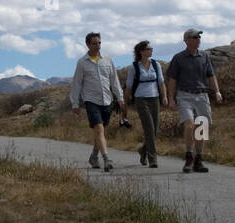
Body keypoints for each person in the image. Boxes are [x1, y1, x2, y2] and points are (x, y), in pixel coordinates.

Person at [164, 28, 223, 173]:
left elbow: (211, 76)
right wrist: (171, 98)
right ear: (187, 40)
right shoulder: (178, 58)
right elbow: (172, 79)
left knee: (202, 126)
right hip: (184, 95)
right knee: (190, 125)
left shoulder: (204, 56)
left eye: (199, 37)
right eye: (195, 37)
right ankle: (189, 156)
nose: (198, 40)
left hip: (202, 95)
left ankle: (199, 159)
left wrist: (217, 91)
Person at [69, 32, 125, 172]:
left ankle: (94, 156)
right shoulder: (82, 63)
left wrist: (120, 97)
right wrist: (75, 103)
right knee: (99, 129)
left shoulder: (107, 60)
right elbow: (77, 83)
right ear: (88, 44)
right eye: (94, 43)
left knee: (100, 132)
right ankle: (107, 159)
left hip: (107, 100)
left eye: (99, 43)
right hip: (91, 101)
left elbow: (114, 80)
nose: (97, 46)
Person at [125, 40, 168, 168]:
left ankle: (143, 150)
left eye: (151, 48)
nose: (151, 50)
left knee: (154, 130)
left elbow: (161, 82)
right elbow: (128, 86)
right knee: (149, 128)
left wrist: (164, 96)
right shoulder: (134, 67)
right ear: (142, 51)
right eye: (149, 48)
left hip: (154, 98)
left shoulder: (156, 65)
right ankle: (152, 158)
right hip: (141, 99)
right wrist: (125, 103)